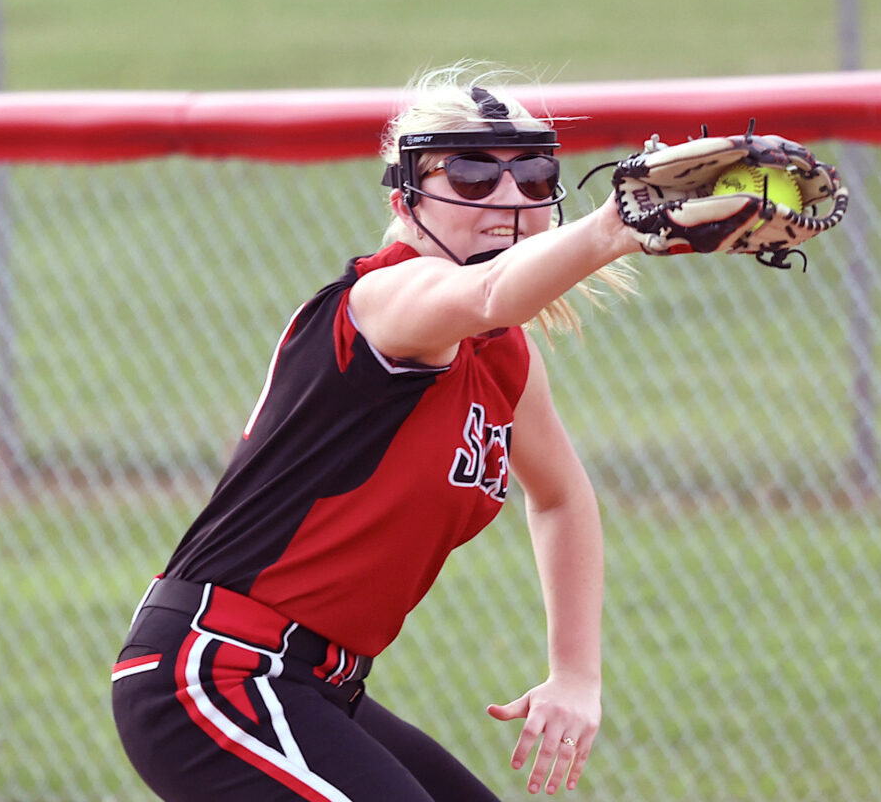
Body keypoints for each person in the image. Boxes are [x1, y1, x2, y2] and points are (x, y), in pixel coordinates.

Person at [111, 62, 642, 802]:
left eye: (531, 174)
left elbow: (560, 497)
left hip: (313, 684)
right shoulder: (388, 297)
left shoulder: (503, 357)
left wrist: (575, 675)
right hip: (216, 671)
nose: (508, 197)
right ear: (406, 200)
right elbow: (489, 290)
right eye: (470, 174)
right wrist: (616, 227)